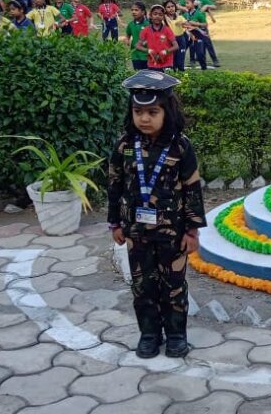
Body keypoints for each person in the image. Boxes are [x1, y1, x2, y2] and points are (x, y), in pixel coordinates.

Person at [108, 70, 206, 359]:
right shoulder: (125, 145)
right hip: (136, 233)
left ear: (167, 111)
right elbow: (114, 184)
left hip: (172, 233)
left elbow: (192, 189)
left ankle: (176, 335)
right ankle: (149, 334)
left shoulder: (180, 146)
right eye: (138, 112)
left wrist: (192, 231)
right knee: (143, 286)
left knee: (173, 287)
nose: (144, 119)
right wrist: (115, 223)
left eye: (153, 112)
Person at [188, 0, 220, 68]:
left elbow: (214, 6)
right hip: (191, 25)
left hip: (202, 25)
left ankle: (215, 60)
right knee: (192, 43)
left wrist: (206, 5)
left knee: (207, 42)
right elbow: (179, 5)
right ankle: (192, 60)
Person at [136, 5, 178, 72]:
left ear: (163, 17)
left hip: (167, 63)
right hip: (152, 63)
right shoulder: (146, 30)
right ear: (150, 15)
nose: (157, 16)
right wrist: (149, 51)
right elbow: (138, 46)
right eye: (155, 14)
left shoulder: (167, 30)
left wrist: (165, 52)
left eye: (160, 15)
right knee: (153, 78)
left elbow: (176, 46)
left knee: (166, 78)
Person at [182, 0, 209, 70]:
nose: (186, 5)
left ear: (193, 3)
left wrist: (197, 24)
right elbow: (182, 24)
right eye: (185, 3)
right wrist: (185, 25)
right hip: (188, 35)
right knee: (181, 51)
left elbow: (205, 24)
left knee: (200, 54)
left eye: (188, 3)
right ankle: (179, 68)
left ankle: (204, 68)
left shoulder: (199, 13)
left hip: (198, 35)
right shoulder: (185, 15)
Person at [121, 2, 150, 71]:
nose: (133, 12)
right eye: (132, 10)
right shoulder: (130, 24)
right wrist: (126, 40)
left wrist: (144, 43)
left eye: (136, 10)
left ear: (143, 12)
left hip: (147, 55)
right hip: (135, 55)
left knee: (147, 74)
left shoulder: (148, 24)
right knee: (137, 74)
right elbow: (128, 35)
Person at [163, 0, 188, 72]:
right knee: (172, 63)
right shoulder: (163, 19)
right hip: (170, 42)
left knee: (180, 62)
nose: (171, 8)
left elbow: (187, 24)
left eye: (172, 6)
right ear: (165, 9)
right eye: (168, 7)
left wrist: (183, 24)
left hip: (181, 40)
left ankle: (183, 76)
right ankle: (173, 76)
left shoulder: (180, 17)